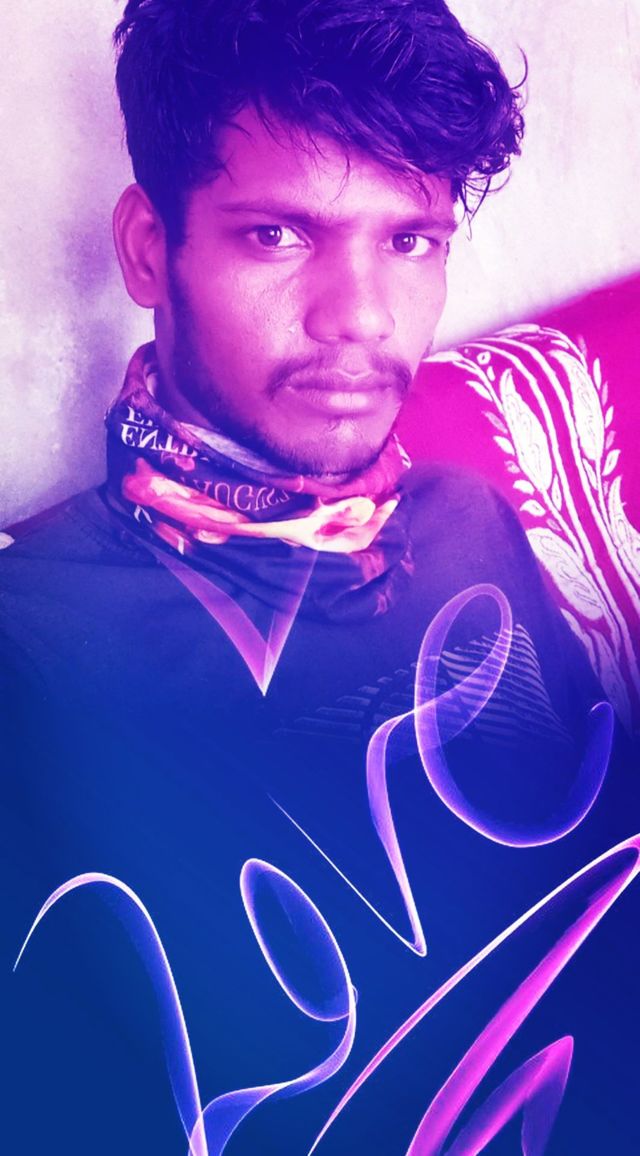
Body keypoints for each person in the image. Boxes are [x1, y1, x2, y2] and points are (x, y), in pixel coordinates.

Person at [1, 2, 636, 1153]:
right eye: (277, 234)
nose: (361, 316)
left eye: (411, 240)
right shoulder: (32, 650)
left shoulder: (468, 523)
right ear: (147, 248)